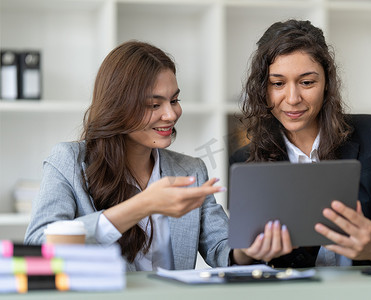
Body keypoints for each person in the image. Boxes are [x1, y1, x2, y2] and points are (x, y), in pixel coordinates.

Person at [24, 41, 285, 270]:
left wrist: (248, 249)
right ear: (118, 107)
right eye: (154, 105)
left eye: (174, 100)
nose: (171, 115)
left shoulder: (190, 169)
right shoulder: (68, 161)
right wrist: (143, 205)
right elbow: (38, 244)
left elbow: (221, 247)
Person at [230, 20, 371, 267]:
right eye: (278, 84)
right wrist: (247, 253)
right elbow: (241, 262)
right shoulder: (245, 161)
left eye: (307, 82)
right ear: (262, 89)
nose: (292, 98)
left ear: (327, 84)